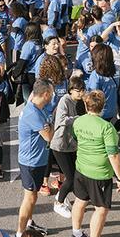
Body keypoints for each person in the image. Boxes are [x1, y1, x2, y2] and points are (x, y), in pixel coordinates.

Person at [68, 89, 120, 237]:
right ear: (103, 106)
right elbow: (113, 155)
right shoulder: (107, 128)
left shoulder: (78, 122)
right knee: (101, 209)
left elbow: (75, 137)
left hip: (81, 168)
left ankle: (76, 235)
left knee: (80, 201)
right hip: (99, 174)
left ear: (85, 105)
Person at [16, 79, 53, 237]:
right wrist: (50, 125)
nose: (52, 97)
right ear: (45, 94)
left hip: (37, 160)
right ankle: (19, 233)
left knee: (34, 196)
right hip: (31, 162)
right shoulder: (33, 114)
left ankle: (29, 223)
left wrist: (48, 125)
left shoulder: (35, 105)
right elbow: (49, 136)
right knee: (29, 197)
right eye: (51, 94)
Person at [50, 71, 86, 219]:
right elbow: (62, 120)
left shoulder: (80, 102)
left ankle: (62, 195)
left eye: (82, 90)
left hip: (72, 144)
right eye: (78, 91)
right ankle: (58, 203)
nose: (81, 93)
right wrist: (80, 119)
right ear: (70, 90)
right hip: (60, 144)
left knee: (76, 175)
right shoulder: (65, 100)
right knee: (70, 178)